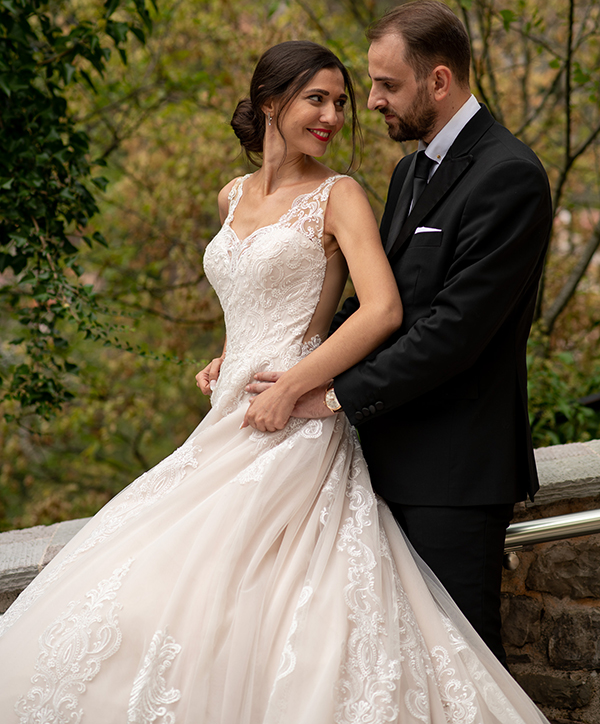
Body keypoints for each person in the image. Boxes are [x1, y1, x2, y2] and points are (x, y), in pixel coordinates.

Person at [0, 40, 549, 723]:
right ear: (270, 103)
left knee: (296, 608)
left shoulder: (342, 192)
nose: (336, 114)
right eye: (317, 98)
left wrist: (298, 385)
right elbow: (254, 294)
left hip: (301, 420)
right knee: (172, 598)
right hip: (231, 412)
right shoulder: (231, 195)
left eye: (342, 101)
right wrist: (228, 353)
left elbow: (381, 310)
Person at [249, 1, 553, 667]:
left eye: (387, 85)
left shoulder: (510, 175)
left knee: (462, 665)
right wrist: (277, 350)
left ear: (438, 82)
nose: (374, 101)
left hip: (455, 479)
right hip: (381, 465)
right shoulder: (409, 172)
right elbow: (377, 301)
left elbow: (453, 332)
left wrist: (330, 395)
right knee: (393, 666)